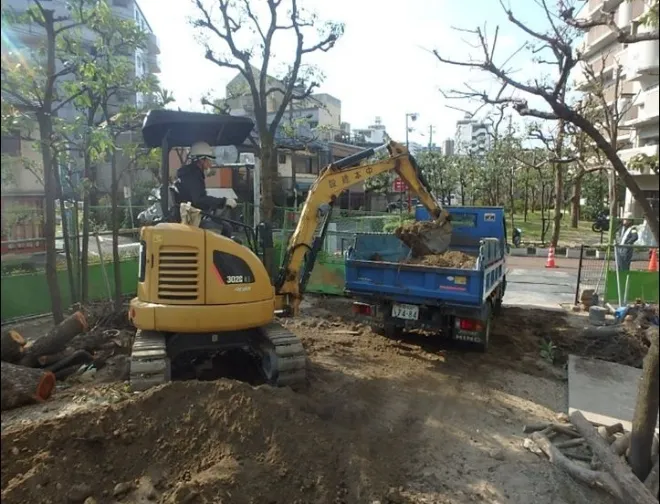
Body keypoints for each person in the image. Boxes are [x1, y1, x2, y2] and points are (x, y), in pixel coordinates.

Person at [173, 141, 237, 237]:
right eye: (209, 160)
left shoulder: (190, 174)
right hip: (190, 218)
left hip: (191, 215)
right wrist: (224, 201)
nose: (210, 163)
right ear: (201, 160)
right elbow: (199, 199)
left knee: (222, 224)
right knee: (226, 228)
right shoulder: (193, 175)